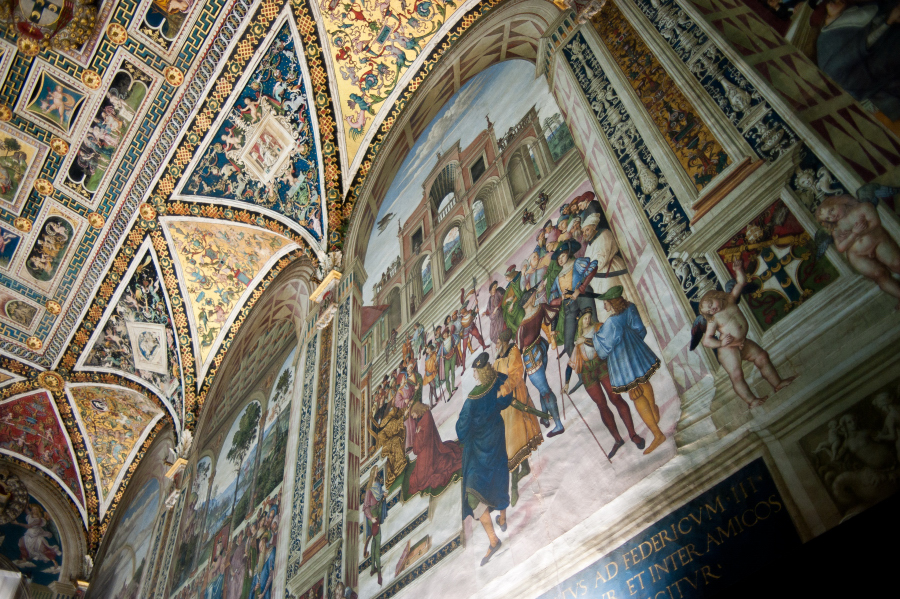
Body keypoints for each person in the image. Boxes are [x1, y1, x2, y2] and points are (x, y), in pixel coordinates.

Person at [697, 261, 797, 407]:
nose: (712, 310)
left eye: (711, 305)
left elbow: (741, 283)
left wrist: (738, 270)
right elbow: (706, 341)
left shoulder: (730, 299)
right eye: (708, 311)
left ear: (717, 296)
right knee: (737, 375)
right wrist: (720, 343)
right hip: (728, 348)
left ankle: (778, 383)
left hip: (742, 342)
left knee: (762, 357)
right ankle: (751, 401)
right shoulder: (714, 319)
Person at [456, 353, 515, 566]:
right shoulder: (498, 380)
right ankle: (503, 518)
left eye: (474, 371)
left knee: (473, 494)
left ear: (479, 373)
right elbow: (506, 399)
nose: (473, 374)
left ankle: (493, 540)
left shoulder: (472, 399)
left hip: (478, 452)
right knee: (499, 476)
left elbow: (461, 432)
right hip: (496, 439)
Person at [592, 286, 667, 455]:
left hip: (623, 362)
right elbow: (640, 329)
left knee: (635, 393)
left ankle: (658, 434)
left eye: (605, 303)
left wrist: (595, 335)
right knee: (644, 382)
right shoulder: (631, 307)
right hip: (637, 353)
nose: (604, 306)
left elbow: (603, 350)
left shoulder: (611, 322)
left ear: (611, 303)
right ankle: (654, 413)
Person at [570, 311, 644, 457]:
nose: (588, 320)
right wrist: (567, 382)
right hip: (587, 373)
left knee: (615, 398)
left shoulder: (598, 328)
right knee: (601, 405)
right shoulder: (577, 339)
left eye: (589, 317)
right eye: (585, 318)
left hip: (602, 365)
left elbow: (608, 342)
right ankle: (617, 439)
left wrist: (585, 341)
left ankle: (633, 434)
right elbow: (574, 360)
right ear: (579, 322)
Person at [816, 0, 900, 120]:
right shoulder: (827, 39)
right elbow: (865, 44)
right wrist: (888, 22)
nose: (834, 2)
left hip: (878, 48)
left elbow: (873, 22)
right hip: (864, 76)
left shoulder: (849, 14)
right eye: (831, 2)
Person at [493, 329, 544, 506]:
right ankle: (525, 467)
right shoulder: (498, 356)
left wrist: (504, 389)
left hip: (515, 397)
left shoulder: (513, 352)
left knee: (514, 443)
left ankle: (513, 486)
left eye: (499, 341)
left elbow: (515, 375)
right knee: (511, 441)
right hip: (504, 405)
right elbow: (494, 375)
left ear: (505, 341)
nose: (497, 345)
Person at [547, 240, 598, 393]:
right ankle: (582, 373)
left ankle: (601, 361)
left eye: (562, 256)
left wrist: (580, 289)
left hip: (583, 297)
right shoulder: (557, 277)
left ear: (567, 254)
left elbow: (593, 268)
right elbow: (552, 300)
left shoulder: (576, 263)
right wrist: (561, 299)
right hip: (569, 307)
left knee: (593, 328)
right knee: (568, 343)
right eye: (559, 258)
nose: (561, 259)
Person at [517, 288, 565, 437]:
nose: (535, 295)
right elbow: (553, 314)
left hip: (531, 358)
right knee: (542, 387)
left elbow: (519, 348)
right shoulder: (541, 308)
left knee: (545, 390)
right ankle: (545, 418)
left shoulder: (522, 325)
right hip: (541, 347)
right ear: (530, 300)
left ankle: (558, 425)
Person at [407, 402, 463, 496]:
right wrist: (418, 433)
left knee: (421, 479)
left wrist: (418, 434)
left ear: (417, 410)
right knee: (417, 479)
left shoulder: (426, 416)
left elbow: (424, 439)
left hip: (429, 449)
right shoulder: (423, 416)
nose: (414, 417)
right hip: (427, 448)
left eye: (413, 414)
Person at [362, 470, 388, 585]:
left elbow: (379, 494)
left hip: (376, 516)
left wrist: (384, 495)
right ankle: (378, 572)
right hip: (372, 519)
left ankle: (372, 568)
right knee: (377, 542)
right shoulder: (369, 490)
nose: (377, 474)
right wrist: (371, 518)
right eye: (376, 473)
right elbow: (366, 507)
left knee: (373, 542)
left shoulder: (376, 487)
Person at [501, 266, 526, 332]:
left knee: (512, 313)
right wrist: (507, 300)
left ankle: (519, 329)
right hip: (513, 301)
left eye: (507, 277)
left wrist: (512, 304)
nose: (506, 279)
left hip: (520, 300)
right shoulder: (511, 284)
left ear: (511, 275)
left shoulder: (518, 280)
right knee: (507, 312)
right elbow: (507, 297)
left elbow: (520, 293)